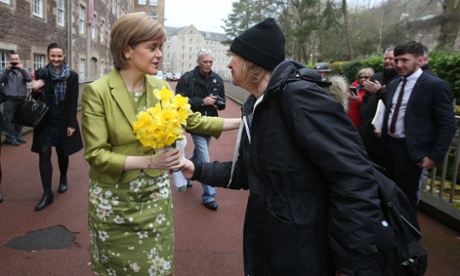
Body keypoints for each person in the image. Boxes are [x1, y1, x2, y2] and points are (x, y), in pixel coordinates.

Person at [182, 18, 386, 275]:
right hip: (268, 239)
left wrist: (355, 265)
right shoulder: (255, 105)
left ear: (252, 62)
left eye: (234, 56)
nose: (229, 63)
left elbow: (354, 177)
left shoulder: (299, 97)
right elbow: (246, 172)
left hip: (302, 249)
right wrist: (195, 169)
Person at [80, 12, 239, 275]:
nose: (160, 54)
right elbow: (96, 155)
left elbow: (194, 120)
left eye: (161, 47)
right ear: (127, 50)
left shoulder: (160, 87)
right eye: (152, 47)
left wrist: (243, 123)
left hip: (154, 196)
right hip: (113, 201)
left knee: (157, 267)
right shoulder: (97, 92)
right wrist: (150, 161)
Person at [379, 41, 456, 215]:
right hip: (388, 149)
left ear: (420, 60)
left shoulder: (434, 85)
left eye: (404, 60)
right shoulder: (394, 84)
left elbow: (447, 124)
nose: (399, 65)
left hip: (412, 153)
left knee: (406, 202)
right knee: (387, 196)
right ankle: (388, 234)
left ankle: (408, 239)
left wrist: (434, 156)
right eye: (397, 60)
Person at [29, 43, 83, 211]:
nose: (56, 59)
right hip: (46, 120)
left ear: (64, 56)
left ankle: (63, 177)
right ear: (48, 56)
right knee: (44, 152)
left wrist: (71, 123)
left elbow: (73, 101)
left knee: (62, 152)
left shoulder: (72, 76)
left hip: (63, 119)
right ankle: (47, 193)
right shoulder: (43, 74)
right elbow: (36, 98)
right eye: (53, 56)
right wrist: (36, 89)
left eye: (59, 56)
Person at [175, 49, 226, 211]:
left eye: (210, 62)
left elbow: (223, 101)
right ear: (198, 61)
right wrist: (203, 101)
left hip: (210, 121)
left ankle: (186, 169)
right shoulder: (188, 78)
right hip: (195, 122)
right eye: (205, 62)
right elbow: (179, 101)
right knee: (204, 156)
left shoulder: (217, 79)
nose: (208, 65)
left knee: (198, 153)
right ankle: (209, 195)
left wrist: (219, 103)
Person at [360, 48, 399, 166]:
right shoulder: (377, 77)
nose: (387, 61)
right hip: (369, 130)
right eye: (385, 58)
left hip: (386, 135)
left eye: (391, 58)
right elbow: (366, 100)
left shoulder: (399, 81)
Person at [0, 51, 33, 146]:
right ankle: (10, 138)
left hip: (22, 98)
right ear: (9, 60)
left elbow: (29, 79)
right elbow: (0, 80)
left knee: (20, 119)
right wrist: (7, 69)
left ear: (19, 60)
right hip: (9, 99)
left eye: (16, 59)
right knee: (9, 119)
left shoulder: (23, 70)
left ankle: (18, 136)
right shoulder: (5, 70)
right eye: (12, 59)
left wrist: (22, 69)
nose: (14, 61)